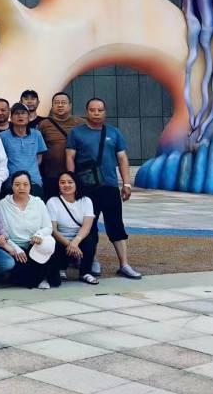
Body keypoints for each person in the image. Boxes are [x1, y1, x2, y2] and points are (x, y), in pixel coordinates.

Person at [66, 98, 141, 279]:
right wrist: (71, 182)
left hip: (109, 186)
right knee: (89, 226)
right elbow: (70, 157)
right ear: (87, 112)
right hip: (86, 188)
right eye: (92, 110)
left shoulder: (114, 133)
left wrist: (126, 183)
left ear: (105, 112)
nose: (96, 113)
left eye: (100, 110)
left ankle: (124, 264)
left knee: (116, 225)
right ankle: (92, 260)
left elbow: (122, 158)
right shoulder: (76, 133)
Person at [0, 170, 58, 289]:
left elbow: (48, 227)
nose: (21, 188)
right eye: (17, 184)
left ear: (30, 186)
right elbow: (2, 231)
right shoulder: (4, 204)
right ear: (12, 186)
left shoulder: (38, 203)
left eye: (25, 184)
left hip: (36, 245)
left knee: (54, 279)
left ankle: (43, 278)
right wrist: (15, 249)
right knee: (26, 280)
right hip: (16, 248)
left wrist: (39, 235)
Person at [48, 170, 99, 285]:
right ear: (58, 185)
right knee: (54, 242)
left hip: (79, 236)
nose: (66, 185)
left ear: (76, 184)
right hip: (61, 237)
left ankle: (85, 272)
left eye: (70, 182)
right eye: (62, 182)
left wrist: (75, 242)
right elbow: (53, 230)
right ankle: (61, 269)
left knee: (91, 238)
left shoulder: (86, 201)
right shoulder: (53, 202)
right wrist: (69, 244)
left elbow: (87, 226)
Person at [38, 93, 85, 196]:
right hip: (51, 175)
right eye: (56, 103)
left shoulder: (81, 123)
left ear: (70, 105)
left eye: (63, 102)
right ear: (52, 106)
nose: (60, 105)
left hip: (77, 174)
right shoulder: (44, 124)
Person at [0, 103, 48, 195]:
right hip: (12, 182)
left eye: (23, 113)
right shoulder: (2, 136)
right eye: (16, 113)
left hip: (34, 181)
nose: (20, 116)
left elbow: (39, 157)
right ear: (11, 118)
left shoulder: (36, 134)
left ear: (28, 117)